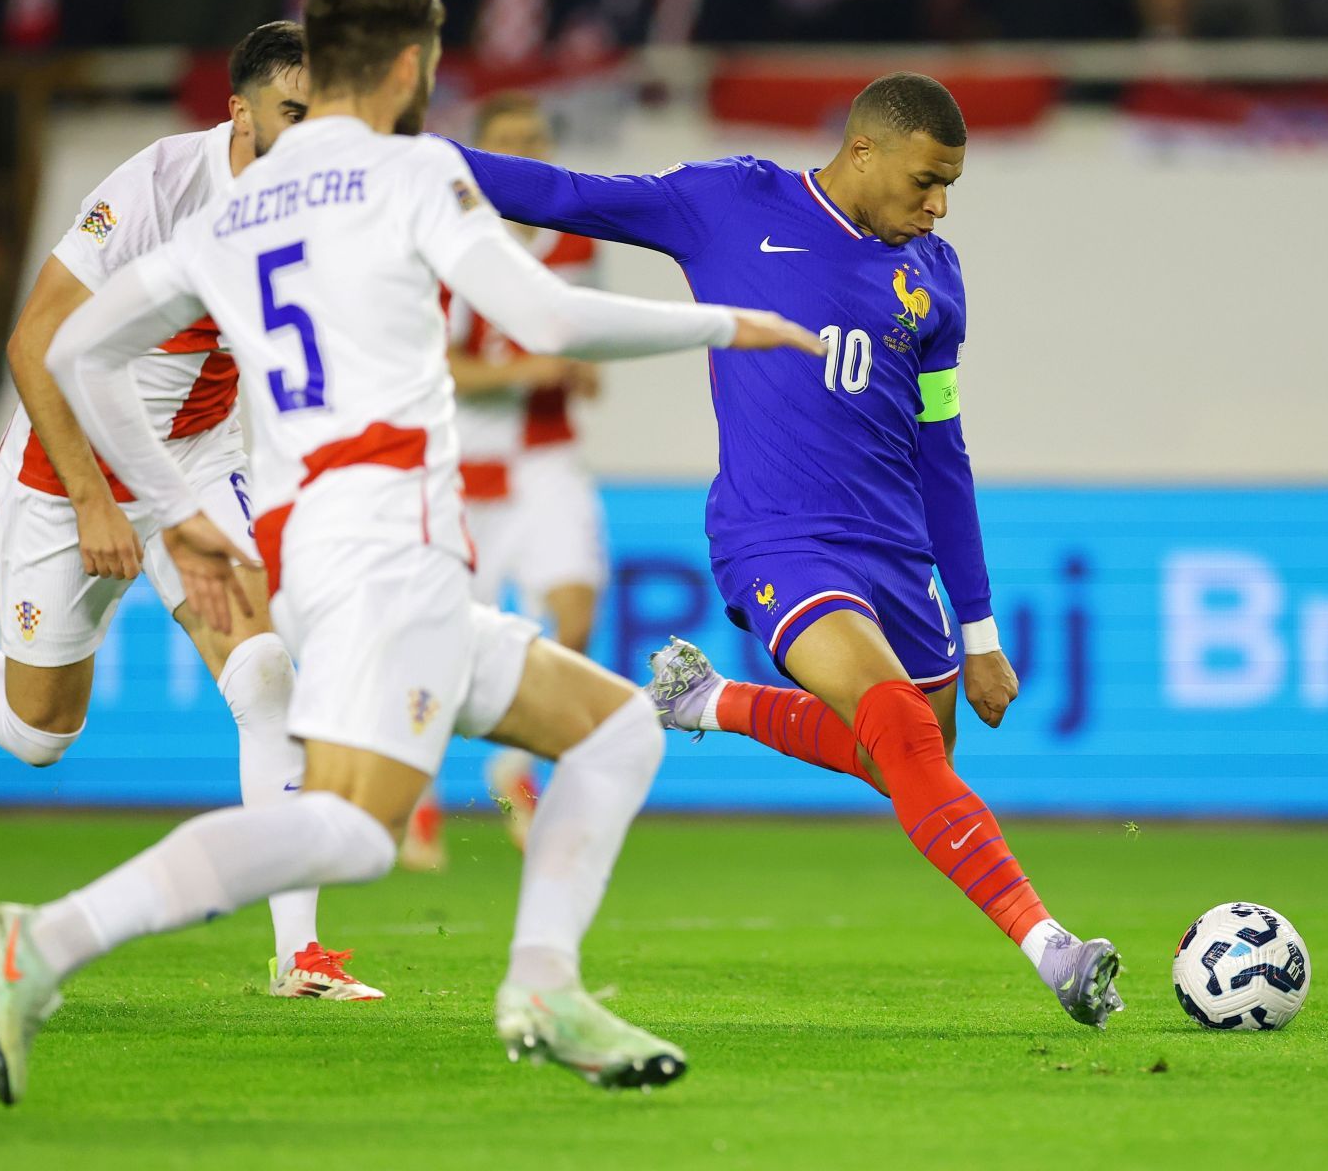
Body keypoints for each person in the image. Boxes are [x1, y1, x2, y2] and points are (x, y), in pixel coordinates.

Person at [0, 0, 819, 1105]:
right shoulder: (409, 172)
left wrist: (169, 506)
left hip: (326, 541)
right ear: (412, 66)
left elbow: (73, 349)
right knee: (355, 832)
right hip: (386, 549)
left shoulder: (242, 202)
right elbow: (542, 309)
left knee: (617, 730)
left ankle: (544, 987)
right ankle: (46, 938)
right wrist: (724, 322)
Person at [452, 71, 1123, 1029]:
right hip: (778, 537)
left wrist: (977, 629)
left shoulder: (935, 277)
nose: (937, 206)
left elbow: (943, 454)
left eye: (951, 189)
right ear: (864, 152)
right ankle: (1050, 944)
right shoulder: (731, 202)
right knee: (896, 724)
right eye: (926, 181)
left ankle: (708, 701)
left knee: (913, 756)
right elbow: (564, 195)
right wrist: (390, 154)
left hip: (896, 556)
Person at [0, 21, 383, 1001]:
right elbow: (31, 345)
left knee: (267, 670)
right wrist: (99, 497)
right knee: (40, 732)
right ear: (240, 113)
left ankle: (300, 953)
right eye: (295, 112)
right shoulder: (159, 187)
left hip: (191, 461)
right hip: (72, 473)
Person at [399, 90, 607, 871]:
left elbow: (583, 336)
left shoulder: (576, 241)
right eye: (509, 141)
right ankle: (416, 798)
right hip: (466, 469)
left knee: (577, 614)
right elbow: (440, 366)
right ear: (480, 156)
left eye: (536, 138)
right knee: (445, 648)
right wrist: (534, 369)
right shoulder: (451, 248)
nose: (526, 152)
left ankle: (514, 771)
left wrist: (585, 370)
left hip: (548, 454)